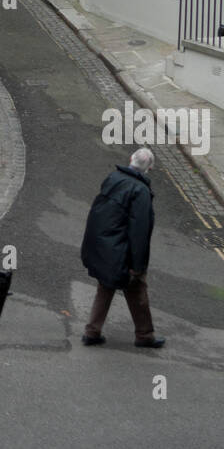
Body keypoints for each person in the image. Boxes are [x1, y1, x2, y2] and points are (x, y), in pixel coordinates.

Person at [80, 147, 165, 348]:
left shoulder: (113, 178)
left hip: (104, 247)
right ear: (150, 168)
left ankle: (92, 331)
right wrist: (138, 265)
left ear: (130, 159)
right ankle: (145, 336)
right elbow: (139, 232)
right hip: (122, 252)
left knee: (106, 286)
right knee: (137, 290)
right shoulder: (141, 191)